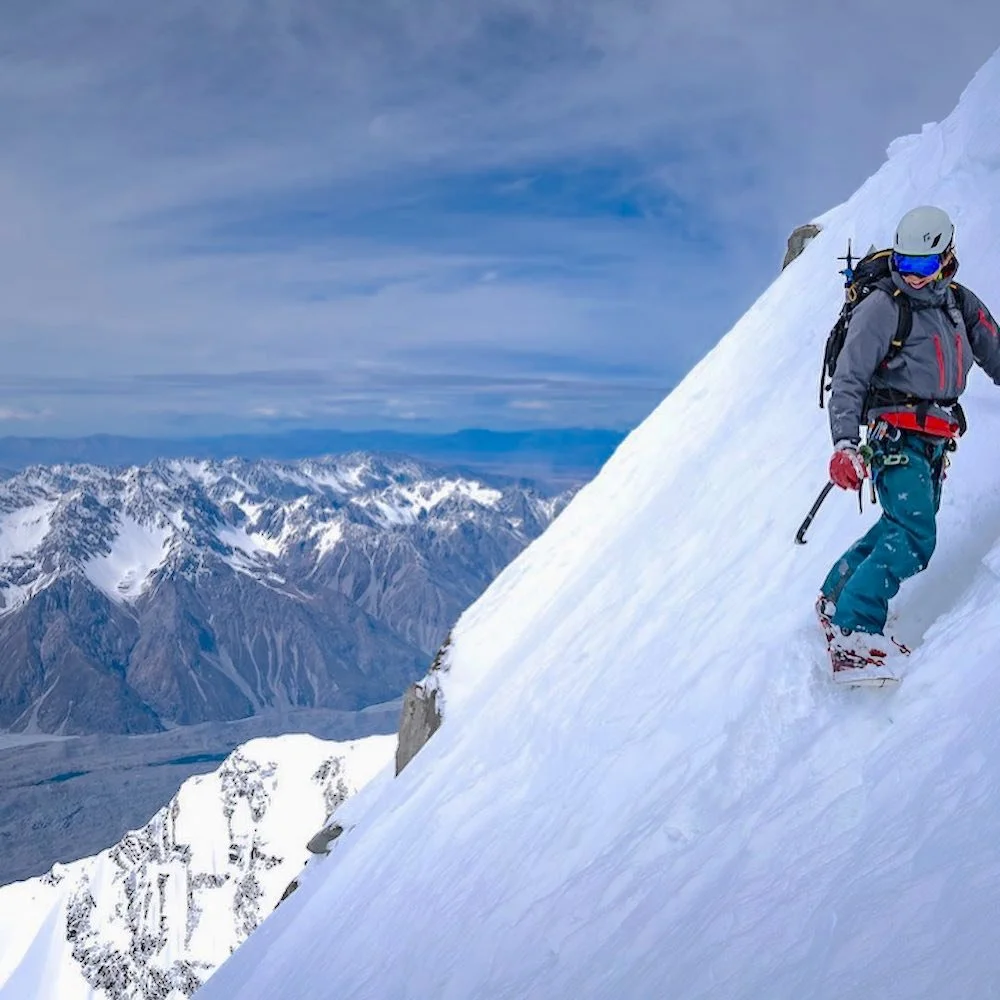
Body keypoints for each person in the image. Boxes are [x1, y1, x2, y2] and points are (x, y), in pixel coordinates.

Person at [817, 205, 1000, 682]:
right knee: (916, 535)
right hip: (893, 433)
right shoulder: (883, 307)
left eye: (923, 266)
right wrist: (844, 444)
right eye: (904, 263)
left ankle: (836, 594)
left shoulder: (961, 304)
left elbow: (995, 352)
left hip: (937, 438)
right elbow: (849, 379)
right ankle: (854, 633)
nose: (912, 276)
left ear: (946, 257)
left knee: (902, 523)